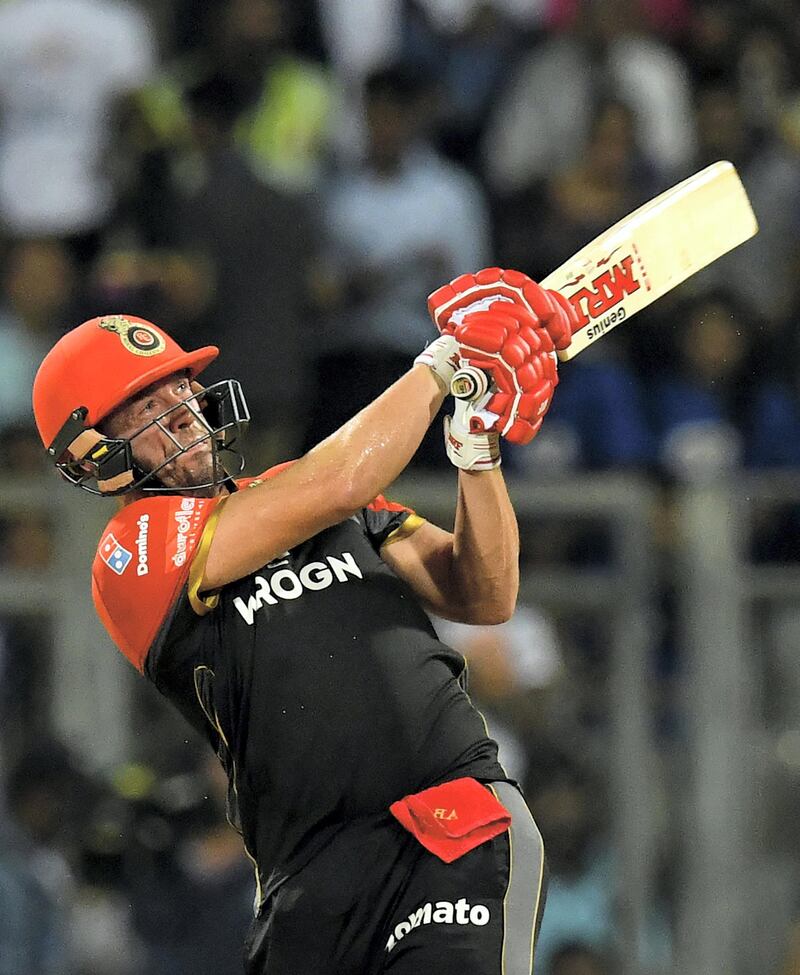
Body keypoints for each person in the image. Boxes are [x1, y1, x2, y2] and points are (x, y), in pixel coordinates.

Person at [32, 266, 576, 974]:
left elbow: (483, 593)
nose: (178, 405)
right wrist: (444, 361)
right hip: (309, 877)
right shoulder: (130, 554)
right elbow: (338, 479)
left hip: (449, 824)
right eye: (141, 404)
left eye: (176, 384)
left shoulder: (317, 492)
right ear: (90, 454)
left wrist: (476, 448)